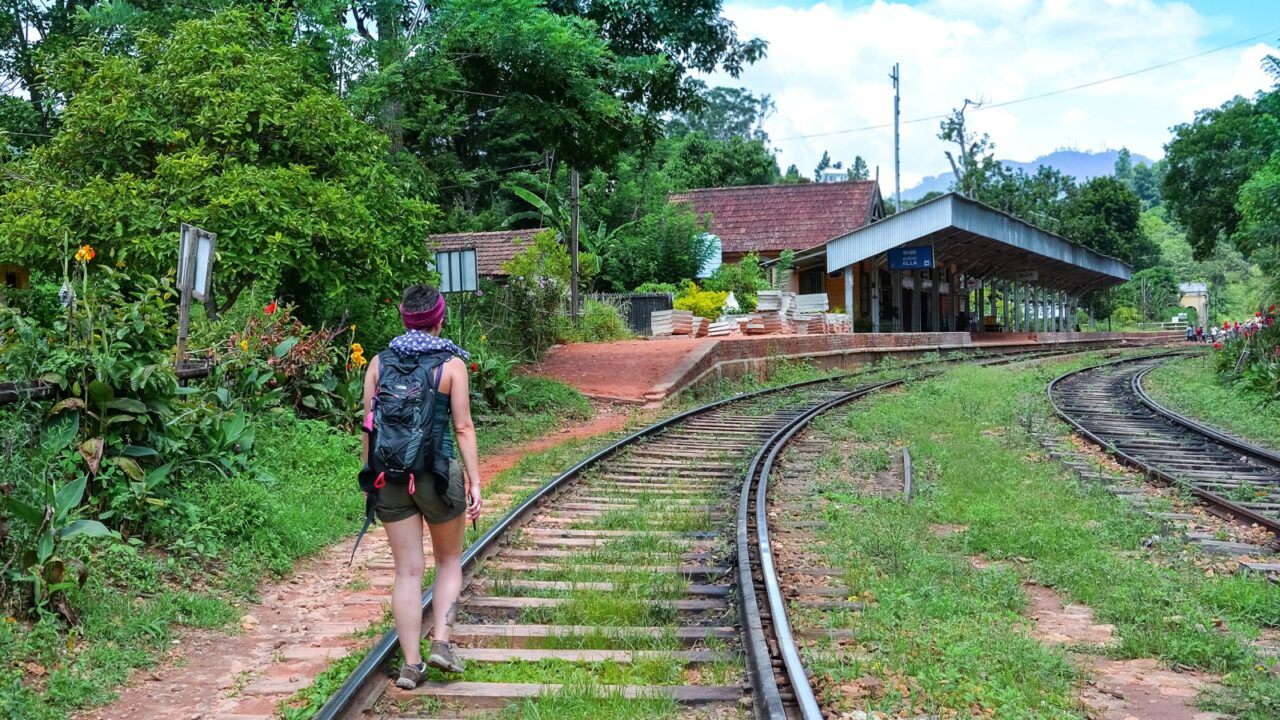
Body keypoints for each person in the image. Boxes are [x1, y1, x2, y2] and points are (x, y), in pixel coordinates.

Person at [361, 284, 483, 689]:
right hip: (437, 476)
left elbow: (369, 426)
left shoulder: (378, 364)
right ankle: (442, 643)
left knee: (407, 572)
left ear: (403, 318)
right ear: (440, 319)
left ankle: (411, 665)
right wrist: (475, 481)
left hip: (390, 478)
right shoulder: (452, 366)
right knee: (448, 562)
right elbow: (462, 428)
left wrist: (369, 478)